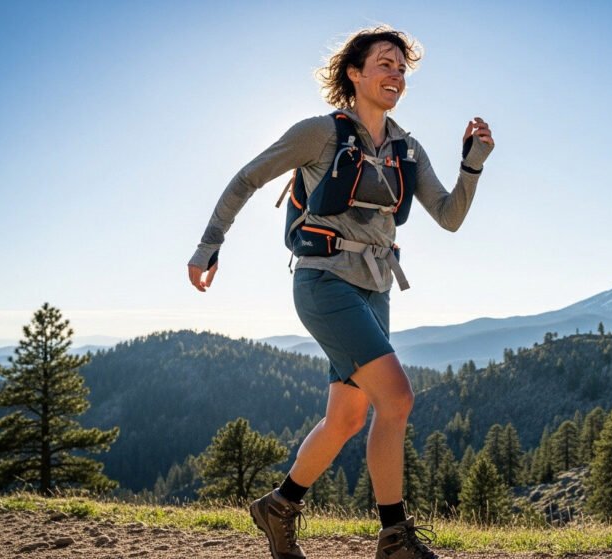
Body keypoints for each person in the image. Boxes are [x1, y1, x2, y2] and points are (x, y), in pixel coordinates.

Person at [186, 26, 493, 559]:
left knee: (348, 417)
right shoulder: (319, 133)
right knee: (396, 398)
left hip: (376, 289)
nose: (395, 74)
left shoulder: (407, 147)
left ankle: (278, 506)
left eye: (402, 68)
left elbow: (449, 217)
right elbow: (246, 179)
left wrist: (472, 163)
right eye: (384, 64)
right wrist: (208, 246)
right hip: (324, 282)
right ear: (355, 72)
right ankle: (394, 536)